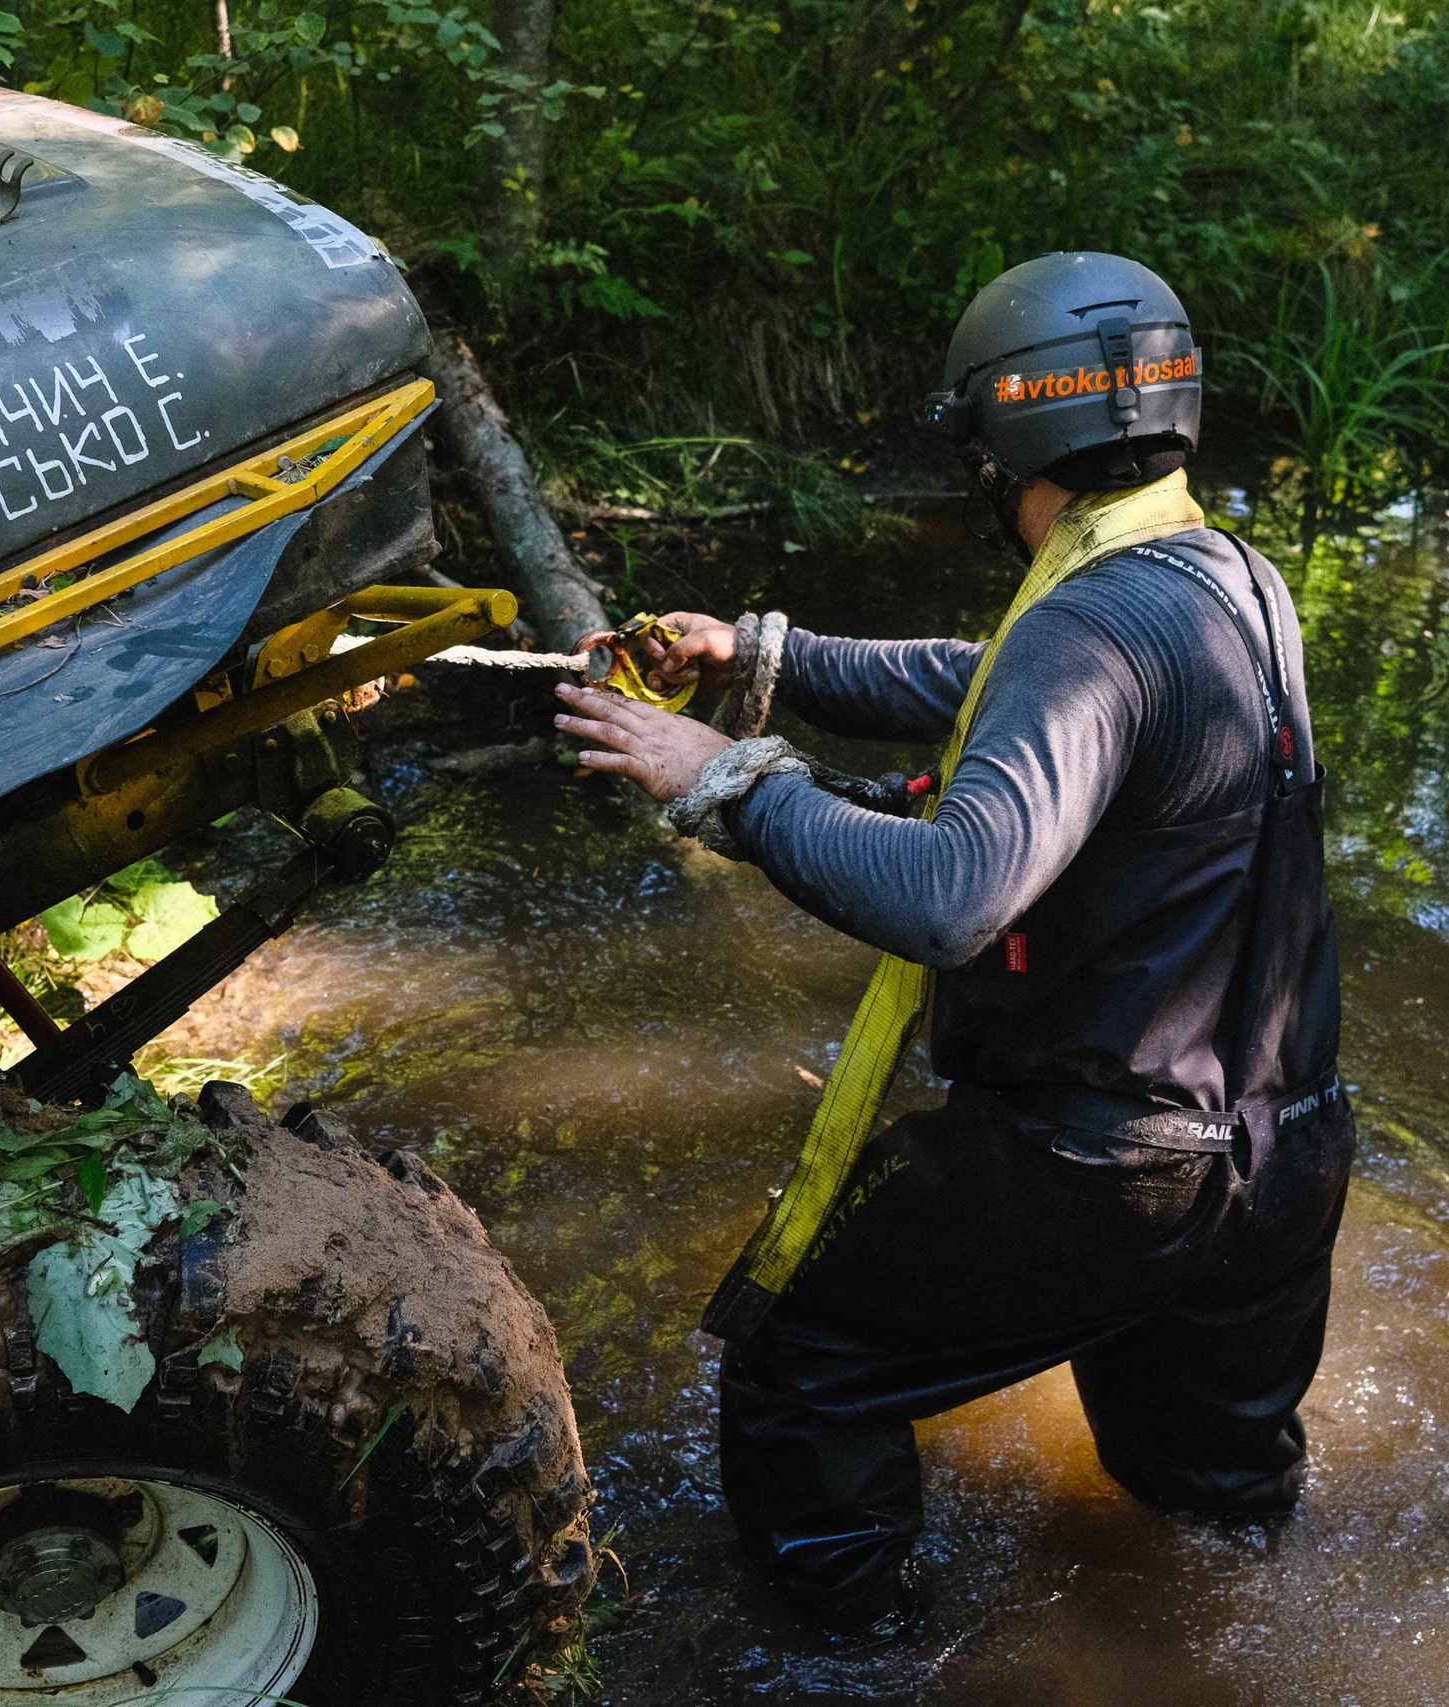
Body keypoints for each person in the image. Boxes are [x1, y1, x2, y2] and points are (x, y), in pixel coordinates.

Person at [552, 252, 1353, 1640]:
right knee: (1212, 1520)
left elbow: (948, 898)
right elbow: (996, 682)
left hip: (1107, 1172)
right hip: (1286, 1159)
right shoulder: (1226, 578)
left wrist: (725, 778)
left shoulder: (1092, 617)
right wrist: (762, 657)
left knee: (802, 1368)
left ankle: (846, 1654)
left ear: (996, 446)